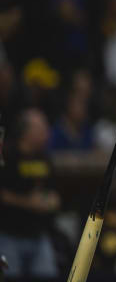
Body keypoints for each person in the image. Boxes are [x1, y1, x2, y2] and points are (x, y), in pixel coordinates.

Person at [0, 108, 61, 279]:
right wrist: (29, 203)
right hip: (8, 236)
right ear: (26, 131)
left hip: (39, 235)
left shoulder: (44, 158)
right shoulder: (7, 156)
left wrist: (50, 202)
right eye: (41, 128)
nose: (47, 132)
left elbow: (53, 194)